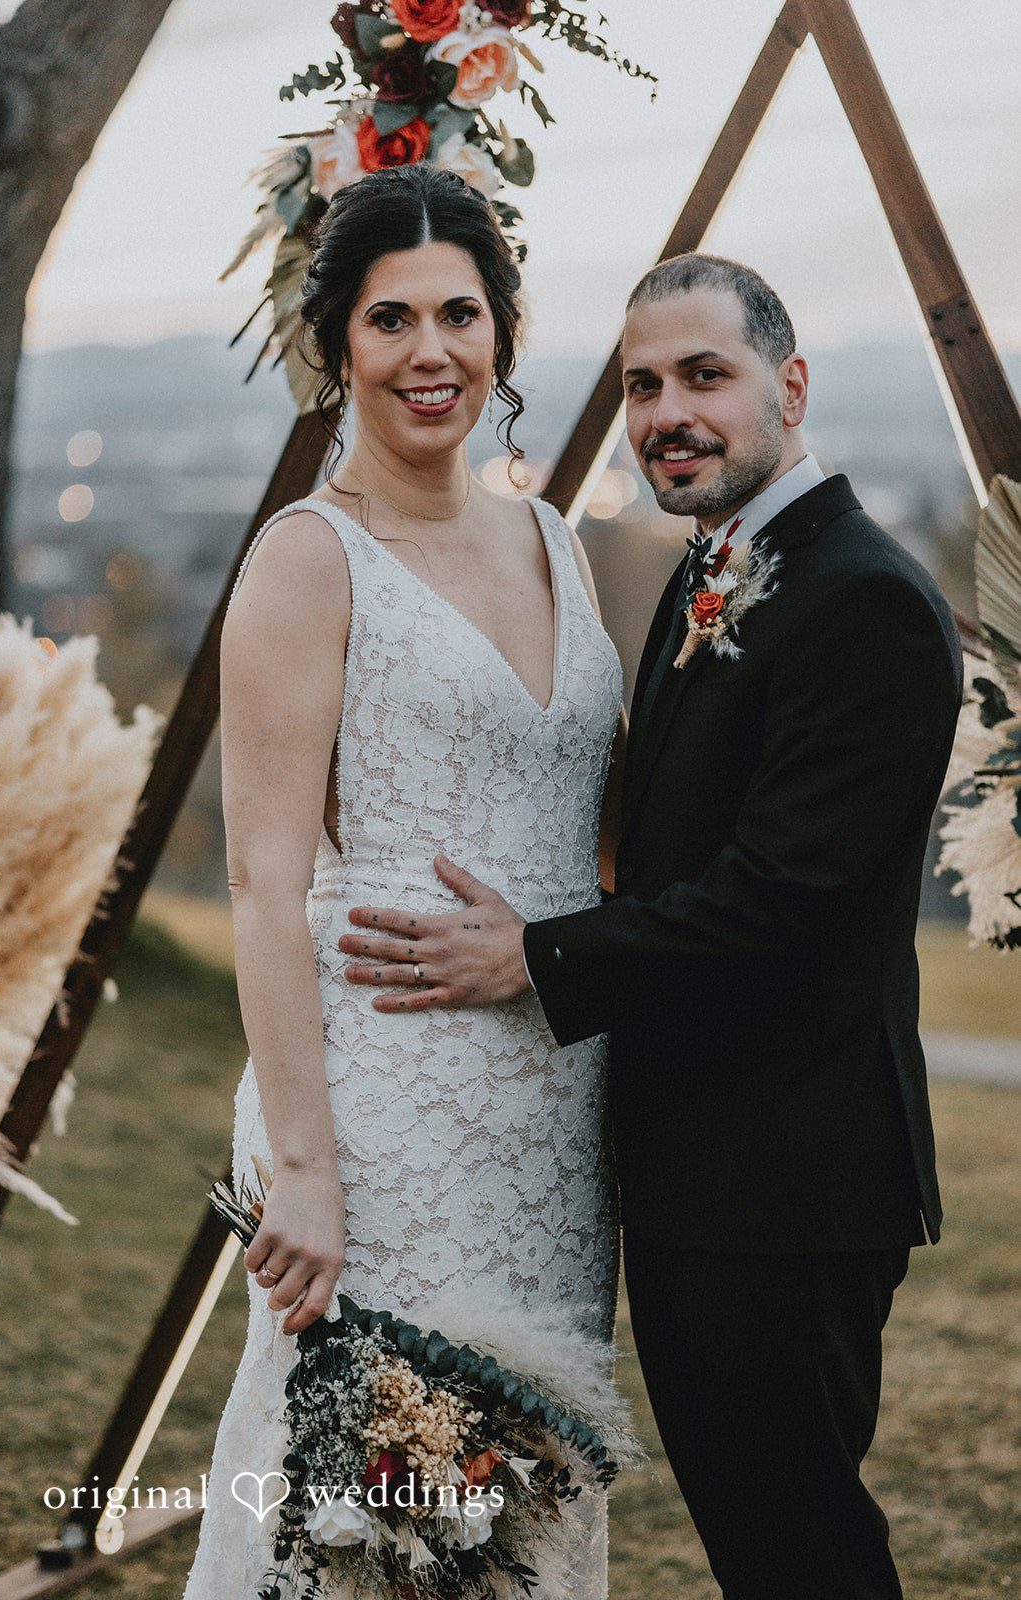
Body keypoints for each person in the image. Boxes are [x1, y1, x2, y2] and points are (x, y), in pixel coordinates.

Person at [341, 253, 964, 1599]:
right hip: (710, 1171)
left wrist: (538, 954)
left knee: (798, 1541)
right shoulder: (718, 574)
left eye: (705, 376)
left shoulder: (863, 601)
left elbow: (782, 905)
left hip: (789, 1179)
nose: (669, 411)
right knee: (762, 1533)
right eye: (643, 385)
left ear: (789, 388)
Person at [182, 162, 625, 1600]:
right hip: (384, 1132)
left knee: (518, 1511)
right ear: (340, 346)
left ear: (502, 330)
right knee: (378, 1517)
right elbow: (258, 880)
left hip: (555, 1123)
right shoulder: (308, 564)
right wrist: (304, 1171)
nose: (431, 351)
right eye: (391, 321)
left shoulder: (552, 533)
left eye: (460, 313)